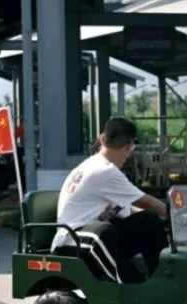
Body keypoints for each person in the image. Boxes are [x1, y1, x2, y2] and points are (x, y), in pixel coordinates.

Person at [53, 116, 169, 284]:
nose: (128, 156)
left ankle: (161, 280)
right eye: (130, 151)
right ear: (129, 146)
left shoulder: (95, 165)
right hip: (71, 239)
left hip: (91, 231)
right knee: (104, 232)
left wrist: (162, 219)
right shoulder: (104, 170)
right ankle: (130, 285)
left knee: (148, 221)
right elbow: (146, 201)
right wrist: (176, 215)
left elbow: (127, 209)